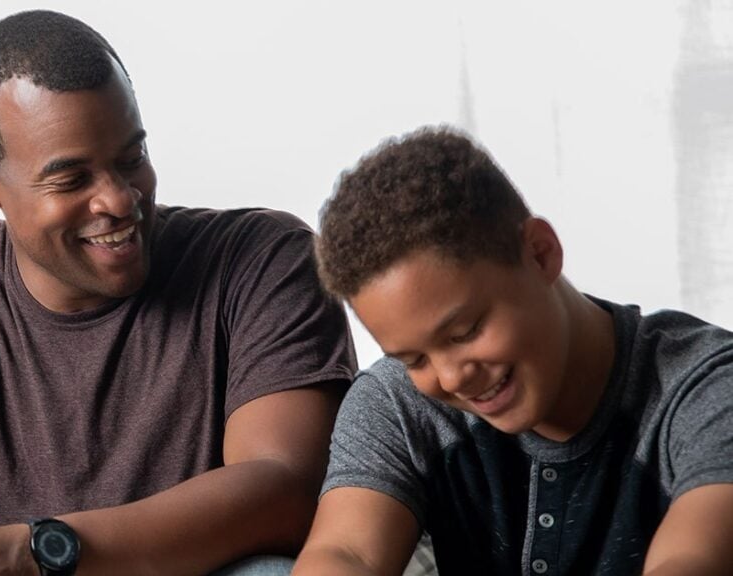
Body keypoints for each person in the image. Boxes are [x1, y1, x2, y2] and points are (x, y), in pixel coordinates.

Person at [0, 9, 356, 576]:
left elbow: (285, 487)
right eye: (72, 179)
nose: (119, 199)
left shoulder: (263, 260)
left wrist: (25, 552)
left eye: (131, 158)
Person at [293, 126, 733, 575]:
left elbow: (693, 560)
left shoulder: (707, 389)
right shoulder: (397, 402)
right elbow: (346, 553)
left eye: (465, 331)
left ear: (541, 254)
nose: (450, 378)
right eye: (414, 360)